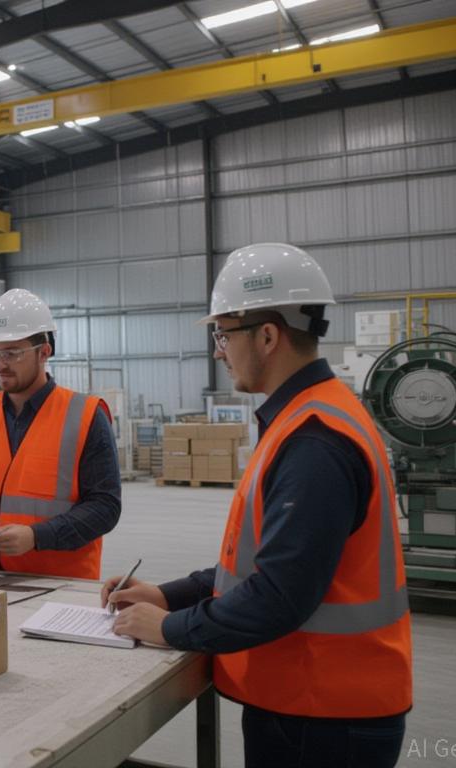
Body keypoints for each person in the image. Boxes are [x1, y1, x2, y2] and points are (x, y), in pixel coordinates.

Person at [104, 243, 413, 767]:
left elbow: (278, 595)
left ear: (267, 336)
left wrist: (169, 628)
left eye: (224, 334)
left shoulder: (314, 442)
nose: (219, 351)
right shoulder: (308, 418)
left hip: (325, 715)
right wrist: (166, 595)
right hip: (314, 701)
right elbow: (262, 565)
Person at [0, 288, 121, 579]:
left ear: (44, 352)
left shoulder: (85, 415)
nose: (0, 365)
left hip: (60, 584)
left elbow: (104, 507)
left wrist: (36, 536)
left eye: (12, 353)